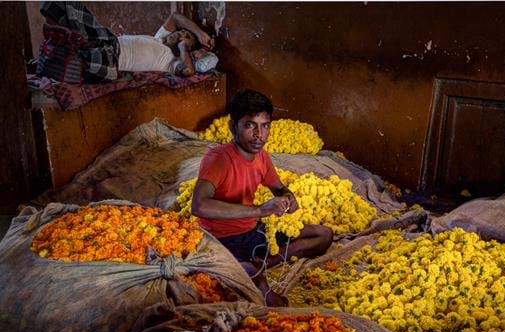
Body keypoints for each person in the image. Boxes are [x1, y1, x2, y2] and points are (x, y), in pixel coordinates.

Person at [191, 89, 333, 306]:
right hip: (223, 239)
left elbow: (279, 188)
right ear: (233, 127)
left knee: (323, 235)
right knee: (253, 278)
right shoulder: (218, 159)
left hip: (255, 231)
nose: (259, 134)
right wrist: (259, 210)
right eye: (249, 125)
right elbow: (199, 205)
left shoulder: (262, 157)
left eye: (264, 126)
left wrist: (288, 197)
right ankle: (256, 271)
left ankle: (268, 260)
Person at [39, 2, 215, 81]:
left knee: (65, 61)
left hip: (112, 59)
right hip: (108, 40)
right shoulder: (158, 38)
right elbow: (175, 17)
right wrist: (198, 34)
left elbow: (188, 71)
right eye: (181, 32)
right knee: (64, 5)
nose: (180, 34)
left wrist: (183, 48)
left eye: (185, 38)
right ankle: (60, 34)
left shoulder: (171, 61)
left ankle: (62, 40)